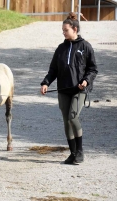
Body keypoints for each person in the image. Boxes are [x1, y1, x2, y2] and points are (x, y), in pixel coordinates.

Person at [40, 13, 98, 165]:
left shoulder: (85, 46)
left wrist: (86, 81)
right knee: (66, 122)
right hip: (63, 90)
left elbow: (93, 69)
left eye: (66, 30)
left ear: (75, 29)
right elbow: (53, 69)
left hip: (79, 90)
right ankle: (72, 154)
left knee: (73, 117)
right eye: (62, 30)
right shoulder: (60, 49)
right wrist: (46, 83)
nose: (63, 33)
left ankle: (80, 152)